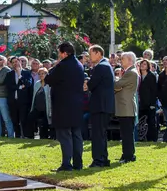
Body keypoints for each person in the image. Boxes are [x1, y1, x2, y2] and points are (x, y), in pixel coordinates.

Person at [45, 42, 84, 171]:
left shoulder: (62, 65)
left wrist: (56, 65)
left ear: (64, 53)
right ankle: (78, 163)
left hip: (63, 105)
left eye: (59, 52)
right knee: (76, 134)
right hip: (77, 104)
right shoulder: (79, 64)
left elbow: (49, 79)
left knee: (64, 135)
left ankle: (67, 164)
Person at [87, 45, 114, 168]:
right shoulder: (106, 65)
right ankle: (103, 158)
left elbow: (92, 85)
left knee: (98, 134)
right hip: (104, 106)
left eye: (91, 54)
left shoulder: (101, 66)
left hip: (100, 106)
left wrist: (87, 84)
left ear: (98, 53)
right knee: (101, 134)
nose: (89, 57)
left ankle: (99, 160)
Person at [114, 52, 139, 163]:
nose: (120, 60)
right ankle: (127, 154)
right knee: (125, 133)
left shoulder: (131, 73)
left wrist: (115, 80)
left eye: (123, 58)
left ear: (129, 60)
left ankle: (128, 156)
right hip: (125, 108)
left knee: (127, 134)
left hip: (127, 108)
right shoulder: (129, 72)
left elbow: (117, 85)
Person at [5, 57, 33, 138]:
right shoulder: (9, 74)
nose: (15, 63)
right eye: (13, 62)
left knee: (23, 119)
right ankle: (17, 135)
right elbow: (9, 86)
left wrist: (19, 75)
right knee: (15, 119)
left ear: (20, 62)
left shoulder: (26, 73)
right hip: (13, 101)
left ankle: (25, 135)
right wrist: (20, 87)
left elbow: (28, 84)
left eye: (16, 61)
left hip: (23, 101)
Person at [138, 59, 158, 142]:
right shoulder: (138, 76)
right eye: (141, 64)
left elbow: (154, 91)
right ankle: (142, 138)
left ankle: (152, 139)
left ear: (148, 66)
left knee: (151, 121)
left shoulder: (151, 76)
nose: (143, 65)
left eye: (145, 64)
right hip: (140, 102)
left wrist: (153, 103)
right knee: (141, 121)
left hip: (150, 102)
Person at [0, 55, 14, 137]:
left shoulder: (7, 70)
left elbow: (1, 81)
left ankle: (11, 135)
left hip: (2, 96)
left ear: (4, 61)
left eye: (0, 60)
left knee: (6, 118)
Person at [29, 67, 52, 140]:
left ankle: (44, 137)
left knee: (44, 122)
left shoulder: (49, 84)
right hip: (37, 107)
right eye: (39, 74)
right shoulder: (37, 83)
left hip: (46, 107)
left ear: (46, 74)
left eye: (43, 73)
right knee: (30, 118)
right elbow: (34, 96)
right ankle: (29, 136)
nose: (41, 75)